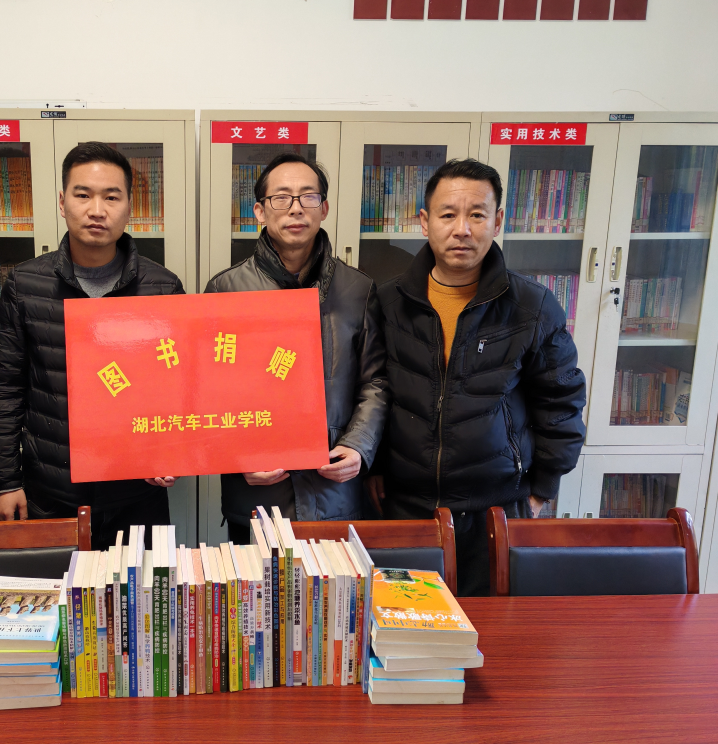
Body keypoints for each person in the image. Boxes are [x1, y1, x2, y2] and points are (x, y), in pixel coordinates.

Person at [371, 158, 587, 596]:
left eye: (476, 215)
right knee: (405, 625)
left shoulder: (532, 307)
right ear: (425, 221)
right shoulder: (388, 302)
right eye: (448, 215)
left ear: (498, 221)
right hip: (405, 509)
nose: (462, 230)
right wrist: (372, 471)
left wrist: (542, 489)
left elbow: (561, 402)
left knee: (492, 629)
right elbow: (373, 392)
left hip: (496, 510)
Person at [0, 141, 184, 551]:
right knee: (59, 592)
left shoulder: (163, 287)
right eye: (83, 195)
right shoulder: (26, 284)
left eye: (111, 197)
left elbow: (181, 387)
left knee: (141, 593)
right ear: (62, 202)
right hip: (51, 491)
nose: (97, 210)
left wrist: (172, 454)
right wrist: (5, 482)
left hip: (137, 492)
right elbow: (4, 387)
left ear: (129, 206)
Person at [203, 152, 386, 545]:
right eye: (282, 197)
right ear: (259, 211)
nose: (296, 208)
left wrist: (358, 445)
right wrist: (237, 458)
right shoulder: (224, 290)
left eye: (308, 196)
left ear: (324, 209)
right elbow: (209, 392)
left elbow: (376, 381)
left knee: (334, 586)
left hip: (334, 486)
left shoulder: (359, 289)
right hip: (257, 492)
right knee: (255, 586)